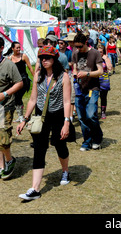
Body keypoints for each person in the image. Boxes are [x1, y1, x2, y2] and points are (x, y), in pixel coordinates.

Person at [17, 45, 71, 200]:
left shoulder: (63, 76)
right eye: (41, 58)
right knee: (39, 149)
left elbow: (67, 102)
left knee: (59, 144)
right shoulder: (38, 75)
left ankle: (65, 170)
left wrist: (66, 123)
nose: (44, 60)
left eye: (47, 57)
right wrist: (25, 119)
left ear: (54, 59)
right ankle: (35, 189)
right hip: (41, 116)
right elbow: (33, 99)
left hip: (58, 115)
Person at [72, 32, 104, 151]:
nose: (78, 49)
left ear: (86, 43)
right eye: (76, 46)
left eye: (80, 46)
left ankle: (97, 138)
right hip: (79, 89)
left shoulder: (95, 53)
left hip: (93, 89)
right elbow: (75, 67)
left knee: (91, 115)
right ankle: (87, 141)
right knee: (81, 117)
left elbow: (100, 71)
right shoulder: (75, 54)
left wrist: (87, 73)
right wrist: (74, 73)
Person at [0, 37, 23, 180]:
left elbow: (19, 83)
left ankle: (9, 160)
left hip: (6, 104)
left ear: (1, 48)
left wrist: (4, 94)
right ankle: (2, 166)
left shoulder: (8, 65)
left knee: (3, 136)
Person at [5, 41, 34, 122]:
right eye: (17, 48)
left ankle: (22, 117)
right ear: (12, 48)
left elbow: (30, 68)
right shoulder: (9, 58)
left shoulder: (23, 56)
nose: (19, 49)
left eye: (19, 47)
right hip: (14, 82)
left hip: (24, 80)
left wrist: (35, 78)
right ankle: (20, 116)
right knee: (15, 98)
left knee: (18, 97)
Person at [97, 44, 112, 119]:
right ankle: (94, 111)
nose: (99, 53)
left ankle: (103, 111)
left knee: (103, 97)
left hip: (104, 81)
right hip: (95, 80)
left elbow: (110, 67)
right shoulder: (94, 58)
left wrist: (106, 59)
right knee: (93, 96)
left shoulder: (106, 58)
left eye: (101, 52)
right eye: (98, 51)